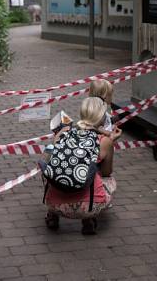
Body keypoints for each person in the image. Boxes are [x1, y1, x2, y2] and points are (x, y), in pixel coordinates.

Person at [43, 97, 121, 234]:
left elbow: (48, 159)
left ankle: (52, 215)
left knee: (53, 168)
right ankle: (88, 220)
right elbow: (106, 172)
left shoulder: (62, 134)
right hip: (88, 207)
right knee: (105, 177)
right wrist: (110, 143)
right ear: (103, 118)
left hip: (55, 204)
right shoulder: (104, 141)